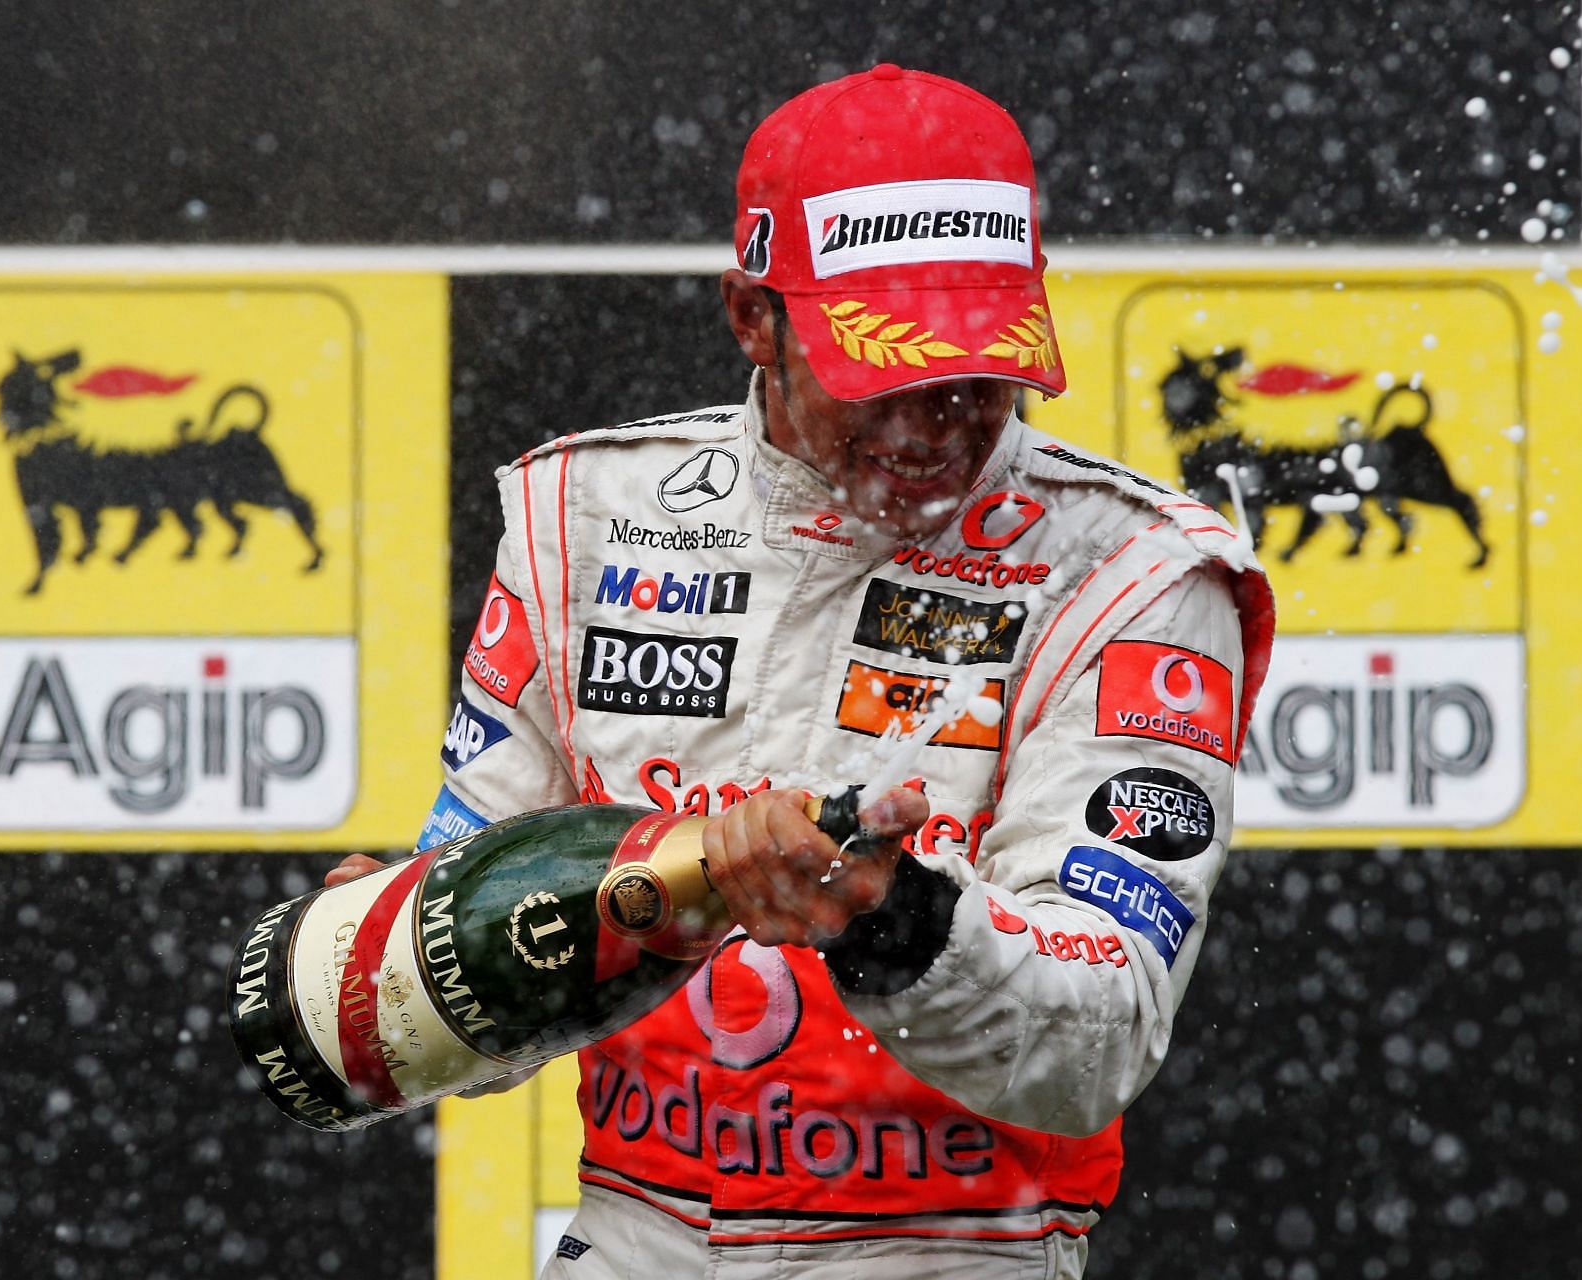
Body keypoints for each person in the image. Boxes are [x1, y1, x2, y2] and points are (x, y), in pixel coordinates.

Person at [329, 64, 1273, 1279]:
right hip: (633, 1237)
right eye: (888, 368)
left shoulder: (1134, 575)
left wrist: (888, 916)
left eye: (979, 370)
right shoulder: (588, 516)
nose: (936, 418)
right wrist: (400, 957)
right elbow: (451, 1004)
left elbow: (1097, 1040)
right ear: (752, 319)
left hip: (958, 1254)